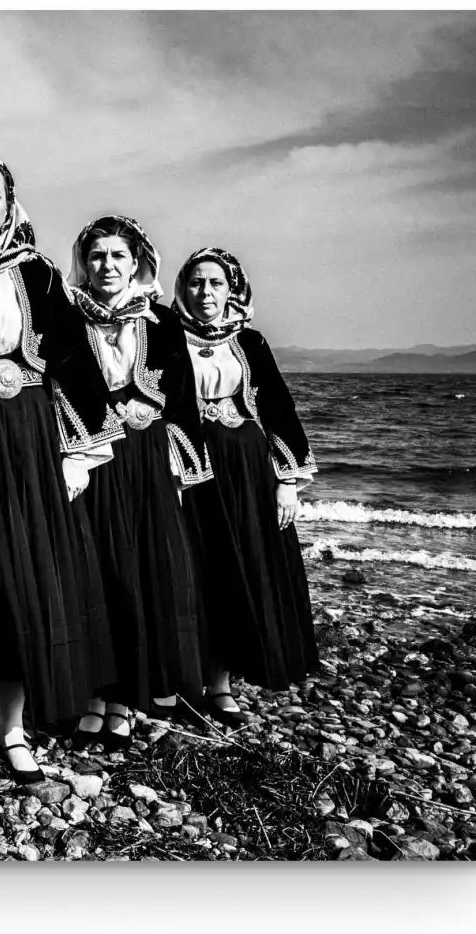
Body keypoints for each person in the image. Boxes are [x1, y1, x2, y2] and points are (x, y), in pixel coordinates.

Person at [0, 153, 121, 783]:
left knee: (19, 581)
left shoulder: (36, 276)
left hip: (22, 446)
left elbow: (74, 362)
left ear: (10, 206)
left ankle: (11, 728)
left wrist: (80, 452)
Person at [64, 215, 209, 751]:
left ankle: (126, 700)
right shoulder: (67, 316)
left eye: (117, 256)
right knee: (92, 573)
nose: (106, 266)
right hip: (90, 454)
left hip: (145, 459)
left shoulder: (162, 320)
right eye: (97, 256)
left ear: (137, 262)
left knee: (138, 573)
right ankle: (93, 696)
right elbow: (57, 382)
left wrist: (178, 468)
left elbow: (184, 397)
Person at [174, 246, 319, 725]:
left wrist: (287, 482)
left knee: (239, 569)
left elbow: (278, 407)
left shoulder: (250, 342)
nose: (205, 292)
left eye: (215, 283)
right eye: (196, 282)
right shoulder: (166, 336)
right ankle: (183, 680)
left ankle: (220, 683)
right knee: (195, 569)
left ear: (231, 288)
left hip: (247, 469)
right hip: (192, 467)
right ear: (183, 287)